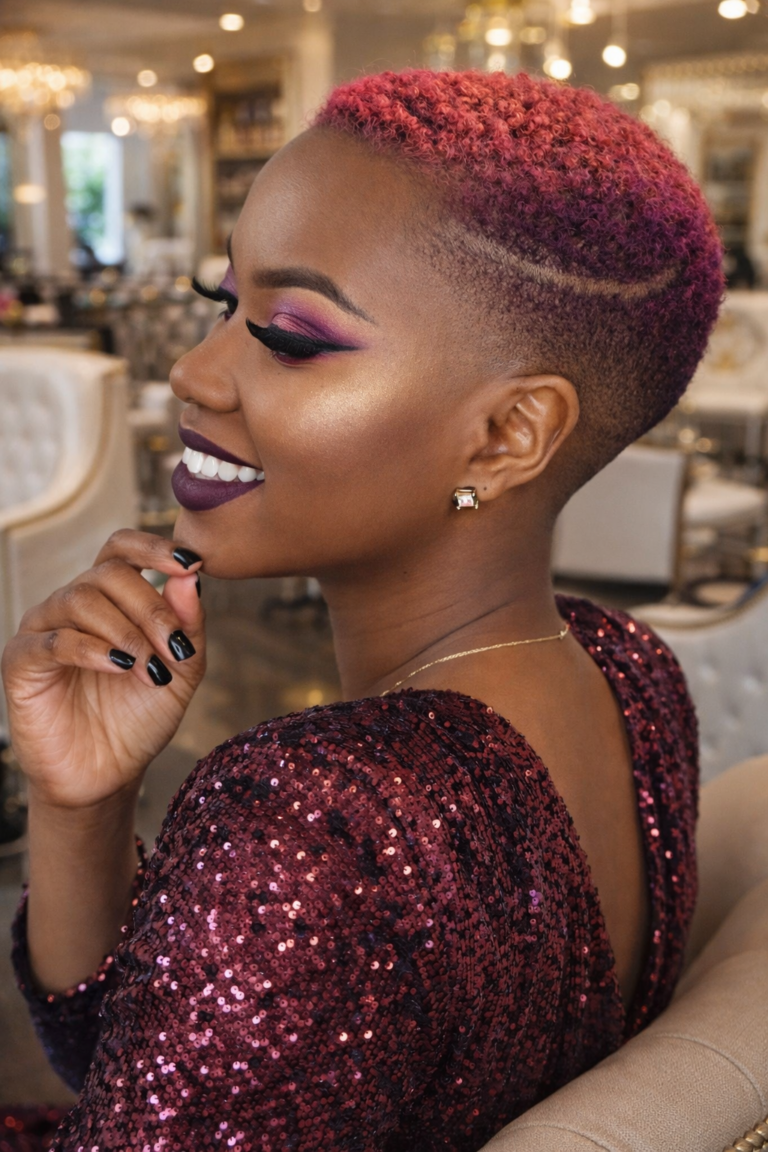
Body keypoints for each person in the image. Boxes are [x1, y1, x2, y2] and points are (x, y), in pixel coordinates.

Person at [1, 70, 722, 1150]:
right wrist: (80, 804)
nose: (194, 374)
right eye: (222, 305)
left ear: (506, 437)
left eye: (290, 338)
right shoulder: (629, 670)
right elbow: (143, 1069)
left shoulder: (316, 826)